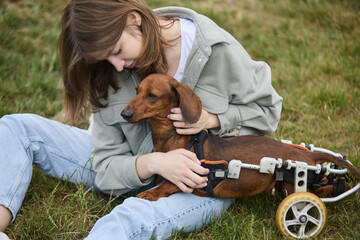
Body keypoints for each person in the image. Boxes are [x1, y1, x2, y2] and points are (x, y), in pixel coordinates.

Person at [0, 0, 283, 239]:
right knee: (17, 127)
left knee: (129, 215)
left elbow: (268, 112)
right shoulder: (108, 69)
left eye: (117, 51)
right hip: (131, 165)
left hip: (198, 182)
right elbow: (106, 167)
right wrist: (152, 163)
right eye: (106, 59)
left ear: (133, 20)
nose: (118, 66)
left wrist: (216, 118)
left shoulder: (216, 49)